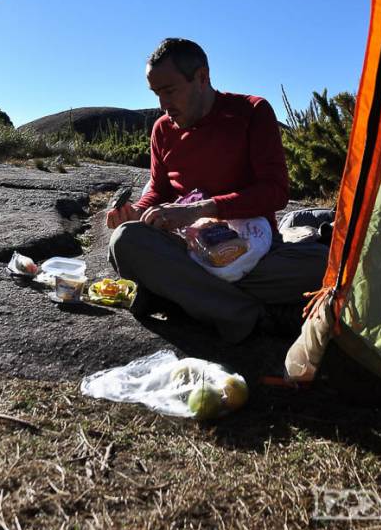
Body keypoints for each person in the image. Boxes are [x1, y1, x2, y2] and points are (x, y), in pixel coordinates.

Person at [107, 38, 328, 342]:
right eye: (156, 93)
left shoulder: (252, 111)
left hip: (254, 251)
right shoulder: (162, 130)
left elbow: (275, 192)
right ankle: (254, 315)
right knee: (125, 241)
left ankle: (186, 297)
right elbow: (158, 190)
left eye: (169, 91)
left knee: (327, 266)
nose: (163, 105)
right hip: (190, 251)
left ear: (202, 77)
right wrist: (137, 211)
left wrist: (199, 209)